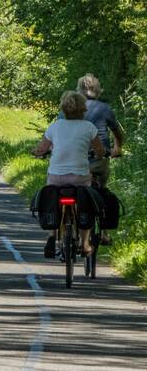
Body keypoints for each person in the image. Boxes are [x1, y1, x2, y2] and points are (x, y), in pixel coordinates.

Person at [34, 91, 106, 256]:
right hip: (79, 177)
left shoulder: (55, 126)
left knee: (51, 192)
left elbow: (41, 149)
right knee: (85, 203)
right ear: (83, 109)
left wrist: (36, 152)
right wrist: (100, 153)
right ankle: (86, 244)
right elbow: (100, 151)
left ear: (63, 109)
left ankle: (51, 236)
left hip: (56, 177)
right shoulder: (89, 127)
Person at [74, 73, 124, 188]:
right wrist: (117, 149)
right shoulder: (104, 108)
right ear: (97, 90)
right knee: (101, 189)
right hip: (96, 161)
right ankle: (101, 201)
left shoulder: (66, 110)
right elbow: (117, 133)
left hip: (69, 161)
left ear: (78, 90)